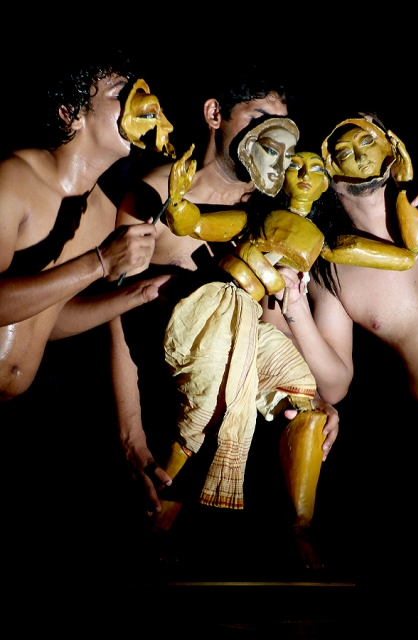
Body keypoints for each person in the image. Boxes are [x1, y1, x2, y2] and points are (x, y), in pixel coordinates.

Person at [113, 67, 340, 573]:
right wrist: (130, 437)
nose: (272, 140)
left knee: (307, 411)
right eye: (258, 119)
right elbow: (114, 317)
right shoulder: (153, 195)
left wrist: (308, 396)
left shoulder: (272, 209)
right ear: (215, 114)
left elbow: (266, 320)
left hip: (242, 419)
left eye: (282, 129)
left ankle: (301, 531)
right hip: (163, 413)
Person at [263, 111, 418, 587]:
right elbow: (335, 385)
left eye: (367, 140)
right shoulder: (332, 267)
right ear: (324, 165)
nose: (357, 155)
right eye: (343, 147)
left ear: (391, 145)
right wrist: (295, 307)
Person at [0, 49, 177, 583]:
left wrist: (136, 294)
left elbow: (46, 319)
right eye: (121, 93)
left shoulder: (102, 213)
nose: (140, 101)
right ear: (70, 113)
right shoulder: (13, 178)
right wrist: (99, 263)